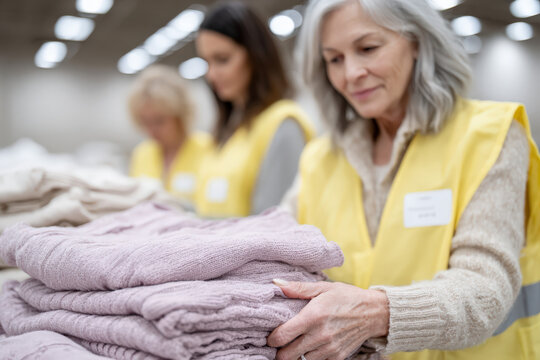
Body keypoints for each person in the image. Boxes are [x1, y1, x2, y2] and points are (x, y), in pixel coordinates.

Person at [268, 0, 540, 359]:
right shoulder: (320, 158)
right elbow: (274, 246)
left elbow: (485, 289)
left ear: (417, 41)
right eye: (334, 59)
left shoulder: (490, 136)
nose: (351, 73)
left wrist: (376, 313)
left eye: (368, 48)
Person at [193, 1, 314, 218]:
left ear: (256, 56)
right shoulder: (227, 131)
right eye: (207, 62)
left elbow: (273, 228)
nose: (211, 75)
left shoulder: (284, 124)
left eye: (222, 60)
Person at [129, 64, 212, 210]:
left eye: (159, 121)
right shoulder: (142, 153)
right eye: (145, 122)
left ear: (180, 116)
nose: (151, 130)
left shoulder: (209, 149)